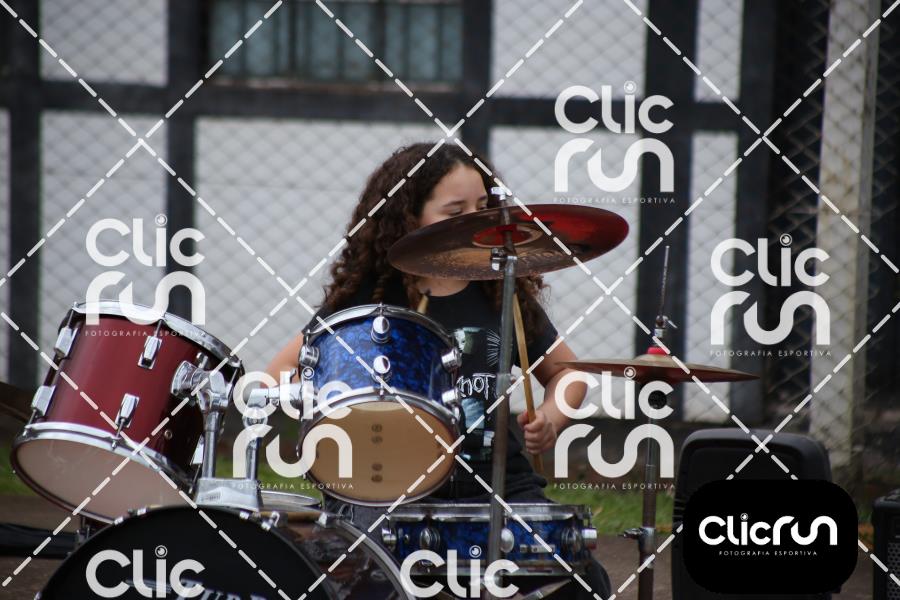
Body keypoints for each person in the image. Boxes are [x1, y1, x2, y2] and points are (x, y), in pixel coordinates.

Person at [265, 142, 611, 598]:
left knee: (584, 581)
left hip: (498, 487)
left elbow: (568, 373)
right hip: (392, 489)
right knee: (363, 581)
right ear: (409, 218)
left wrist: (551, 416)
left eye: (483, 208)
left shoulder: (500, 289)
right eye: (455, 211)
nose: (474, 221)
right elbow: (281, 370)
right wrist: (332, 405)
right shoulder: (372, 296)